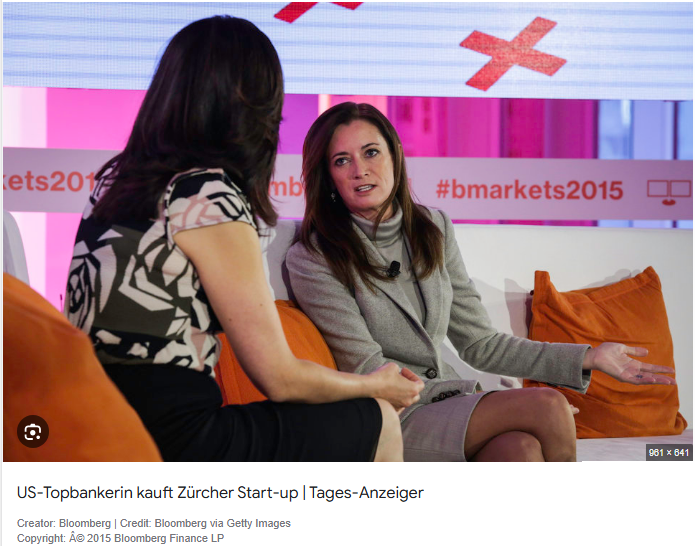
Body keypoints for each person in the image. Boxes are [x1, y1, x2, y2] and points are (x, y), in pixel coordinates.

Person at [64, 19, 423, 462]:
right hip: (173, 435)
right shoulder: (207, 196)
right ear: (255, 105)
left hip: (96, 415)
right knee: (378, 418)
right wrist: (375, 386)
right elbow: (280, 377)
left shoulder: (115, 181)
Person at [285, 102, 677, 462]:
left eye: (371, 152)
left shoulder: (433, 229)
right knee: (548, 405)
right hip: (388, 415)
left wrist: (588, 357)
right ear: (328, 177)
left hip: (445, 405)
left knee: (520, 449)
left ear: (395, 156)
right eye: (342, 160)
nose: (360, 169)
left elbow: (480, 343)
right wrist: (481, 400)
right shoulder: (315, 257)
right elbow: (367, 367)